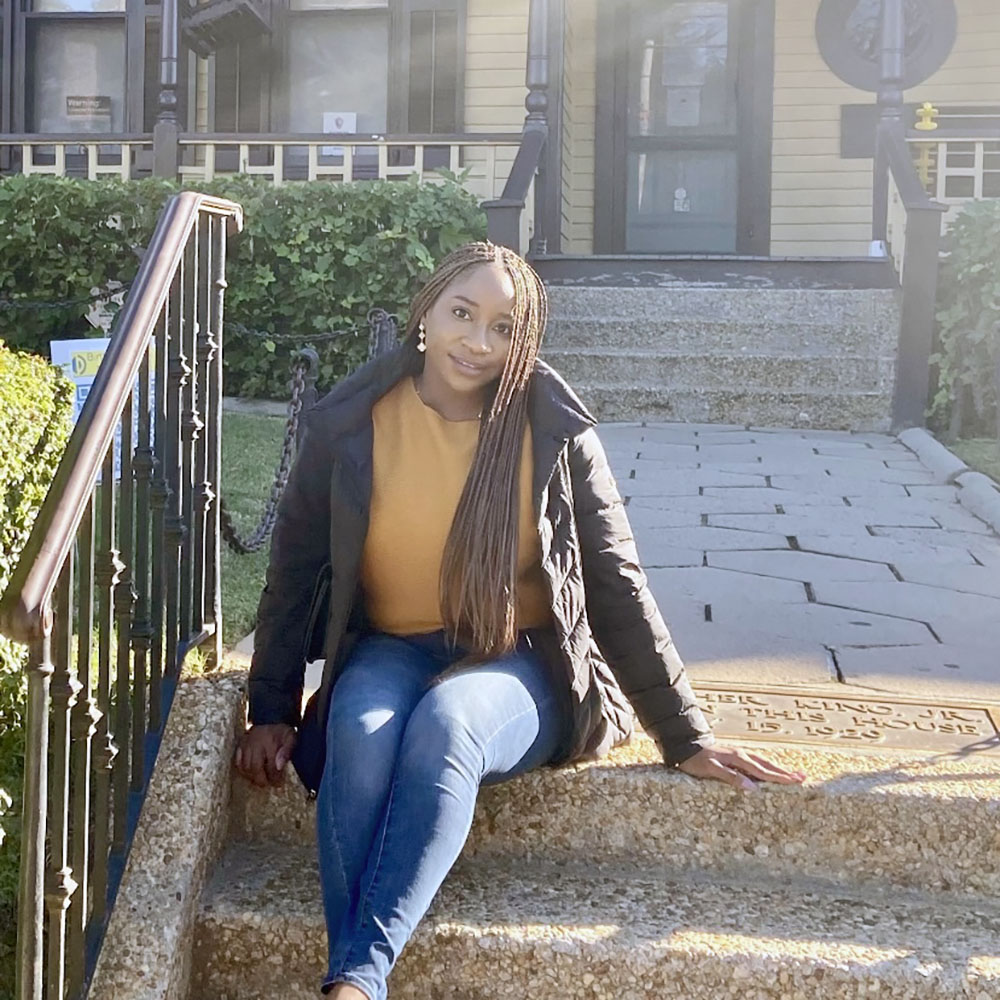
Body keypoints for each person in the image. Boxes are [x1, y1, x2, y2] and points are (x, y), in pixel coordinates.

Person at [235, 242, 805, 1000]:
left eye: (503, 327)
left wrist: (685, 733)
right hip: (391, 646)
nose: (477, 341)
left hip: (523, 660)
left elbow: (616, 585)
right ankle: (356, 982)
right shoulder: (352, 423)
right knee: (358, 732)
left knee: (447, 726)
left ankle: (355, 980)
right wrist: (271, 708)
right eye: (462, 315)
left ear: (524, 340)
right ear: (426, 314)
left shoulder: (555, 430)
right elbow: (295, 570)